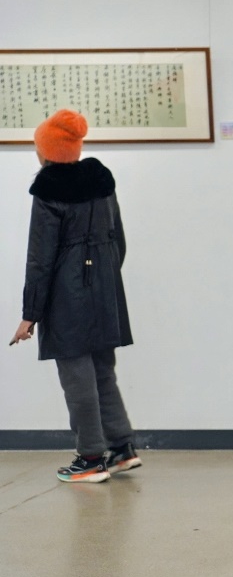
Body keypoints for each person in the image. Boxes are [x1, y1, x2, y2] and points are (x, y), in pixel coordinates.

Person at [10, 109, 140, 484]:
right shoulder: (100, 179)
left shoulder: (48, 190)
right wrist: (104, 281)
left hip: (67, 296)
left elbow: (40, 259)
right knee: (102, 371)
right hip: (106, 291)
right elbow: (118, 241)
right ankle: (122, 449)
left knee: (77, 377)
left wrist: (30, 314)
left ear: (46, 150)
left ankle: (91, 457)